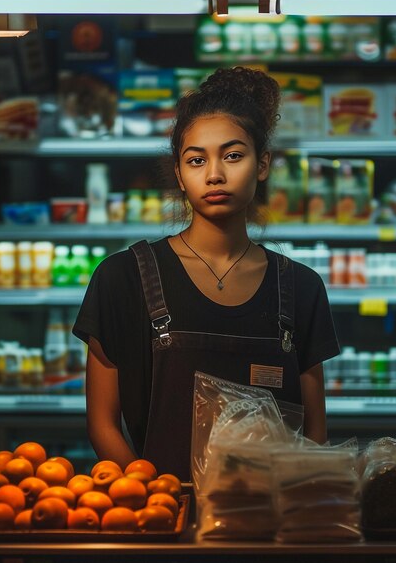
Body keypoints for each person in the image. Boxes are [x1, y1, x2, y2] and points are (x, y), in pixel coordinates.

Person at [73, 66, 340, 481]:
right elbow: (103, 426)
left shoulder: (301, 288)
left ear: (263, 164)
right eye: (196, 160)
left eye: (233, 155)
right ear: (180, 175)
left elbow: (315, 432)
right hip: (165, 521)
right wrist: (153, 496)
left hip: (271, 526)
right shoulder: (122, 278)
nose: (214, 174)